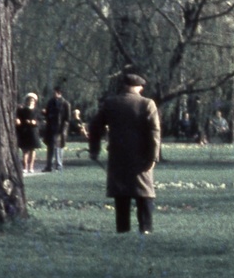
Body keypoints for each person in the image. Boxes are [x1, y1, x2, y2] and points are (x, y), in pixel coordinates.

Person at [88, 72, 162, 234]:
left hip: (117, 155)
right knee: (144, 193)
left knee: (121, 194)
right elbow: (154, 132)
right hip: (141, 157)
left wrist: (94, 149)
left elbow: (95, 126)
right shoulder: (147, 104)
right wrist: (153, 156)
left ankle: (122, 229)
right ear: (137, 87)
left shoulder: (110, 103)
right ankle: (146, 228)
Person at [42, 86, 72, 172]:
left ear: (59, 93)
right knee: (50, 146)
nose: (54, 94)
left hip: (60, 129)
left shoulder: (65, 104)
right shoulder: (50, 102)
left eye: (55, 92)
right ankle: (49, 166)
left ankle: (59, 165)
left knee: (58, 147)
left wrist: (63, 129)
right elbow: (47, 114)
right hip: (51, 127)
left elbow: (67, 118)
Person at [16, 92, 43, 173]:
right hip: (25, 131)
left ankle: (31, 167)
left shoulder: (37, 110)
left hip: (33, 131)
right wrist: (18, 120)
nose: (31, 101)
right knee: (25, 150)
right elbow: (18, 118)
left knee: (32, 150)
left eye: (32, 100)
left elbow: (41, 121)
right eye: (29, 100)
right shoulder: (22, 110)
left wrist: (35, 122)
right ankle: (25, 167)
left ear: (35, 101)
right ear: (26, 100)